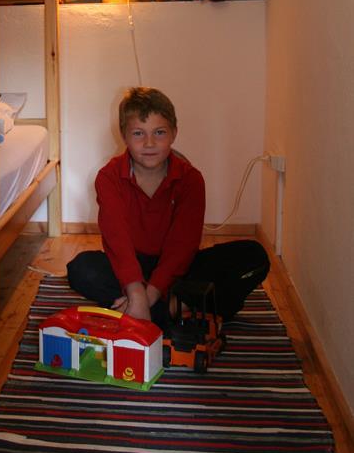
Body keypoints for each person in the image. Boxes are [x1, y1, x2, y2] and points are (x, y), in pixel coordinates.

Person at [67, 87, 270, 330]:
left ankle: (146, 309)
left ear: (174, 133)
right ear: (124, 136)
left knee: (254, 256)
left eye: (159, 132)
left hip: (178, 269)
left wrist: (150, 294)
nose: (149, 143)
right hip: (132, 267)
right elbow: (117, 240)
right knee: (81, 268)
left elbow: (183, 245)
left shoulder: (191, 179)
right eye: (138, 133)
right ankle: (176, 309)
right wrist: (136, 290)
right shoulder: (108, 177)